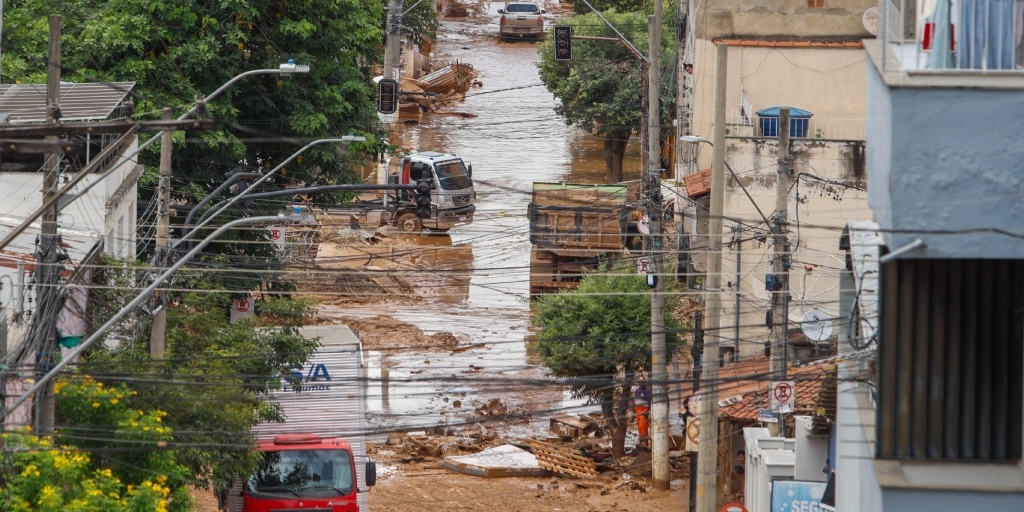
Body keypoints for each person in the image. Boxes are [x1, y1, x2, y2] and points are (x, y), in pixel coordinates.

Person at [633, 378, 653, 443]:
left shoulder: (647, 391)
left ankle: (644, 440)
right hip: (637, 412)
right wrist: (633, 408)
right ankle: (641, 439)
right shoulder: (637, 391)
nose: (641, 384)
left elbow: (650, 402)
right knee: (639, 426)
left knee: (643, 426)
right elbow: (635, 400)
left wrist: (648, 411)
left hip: (644, 411)